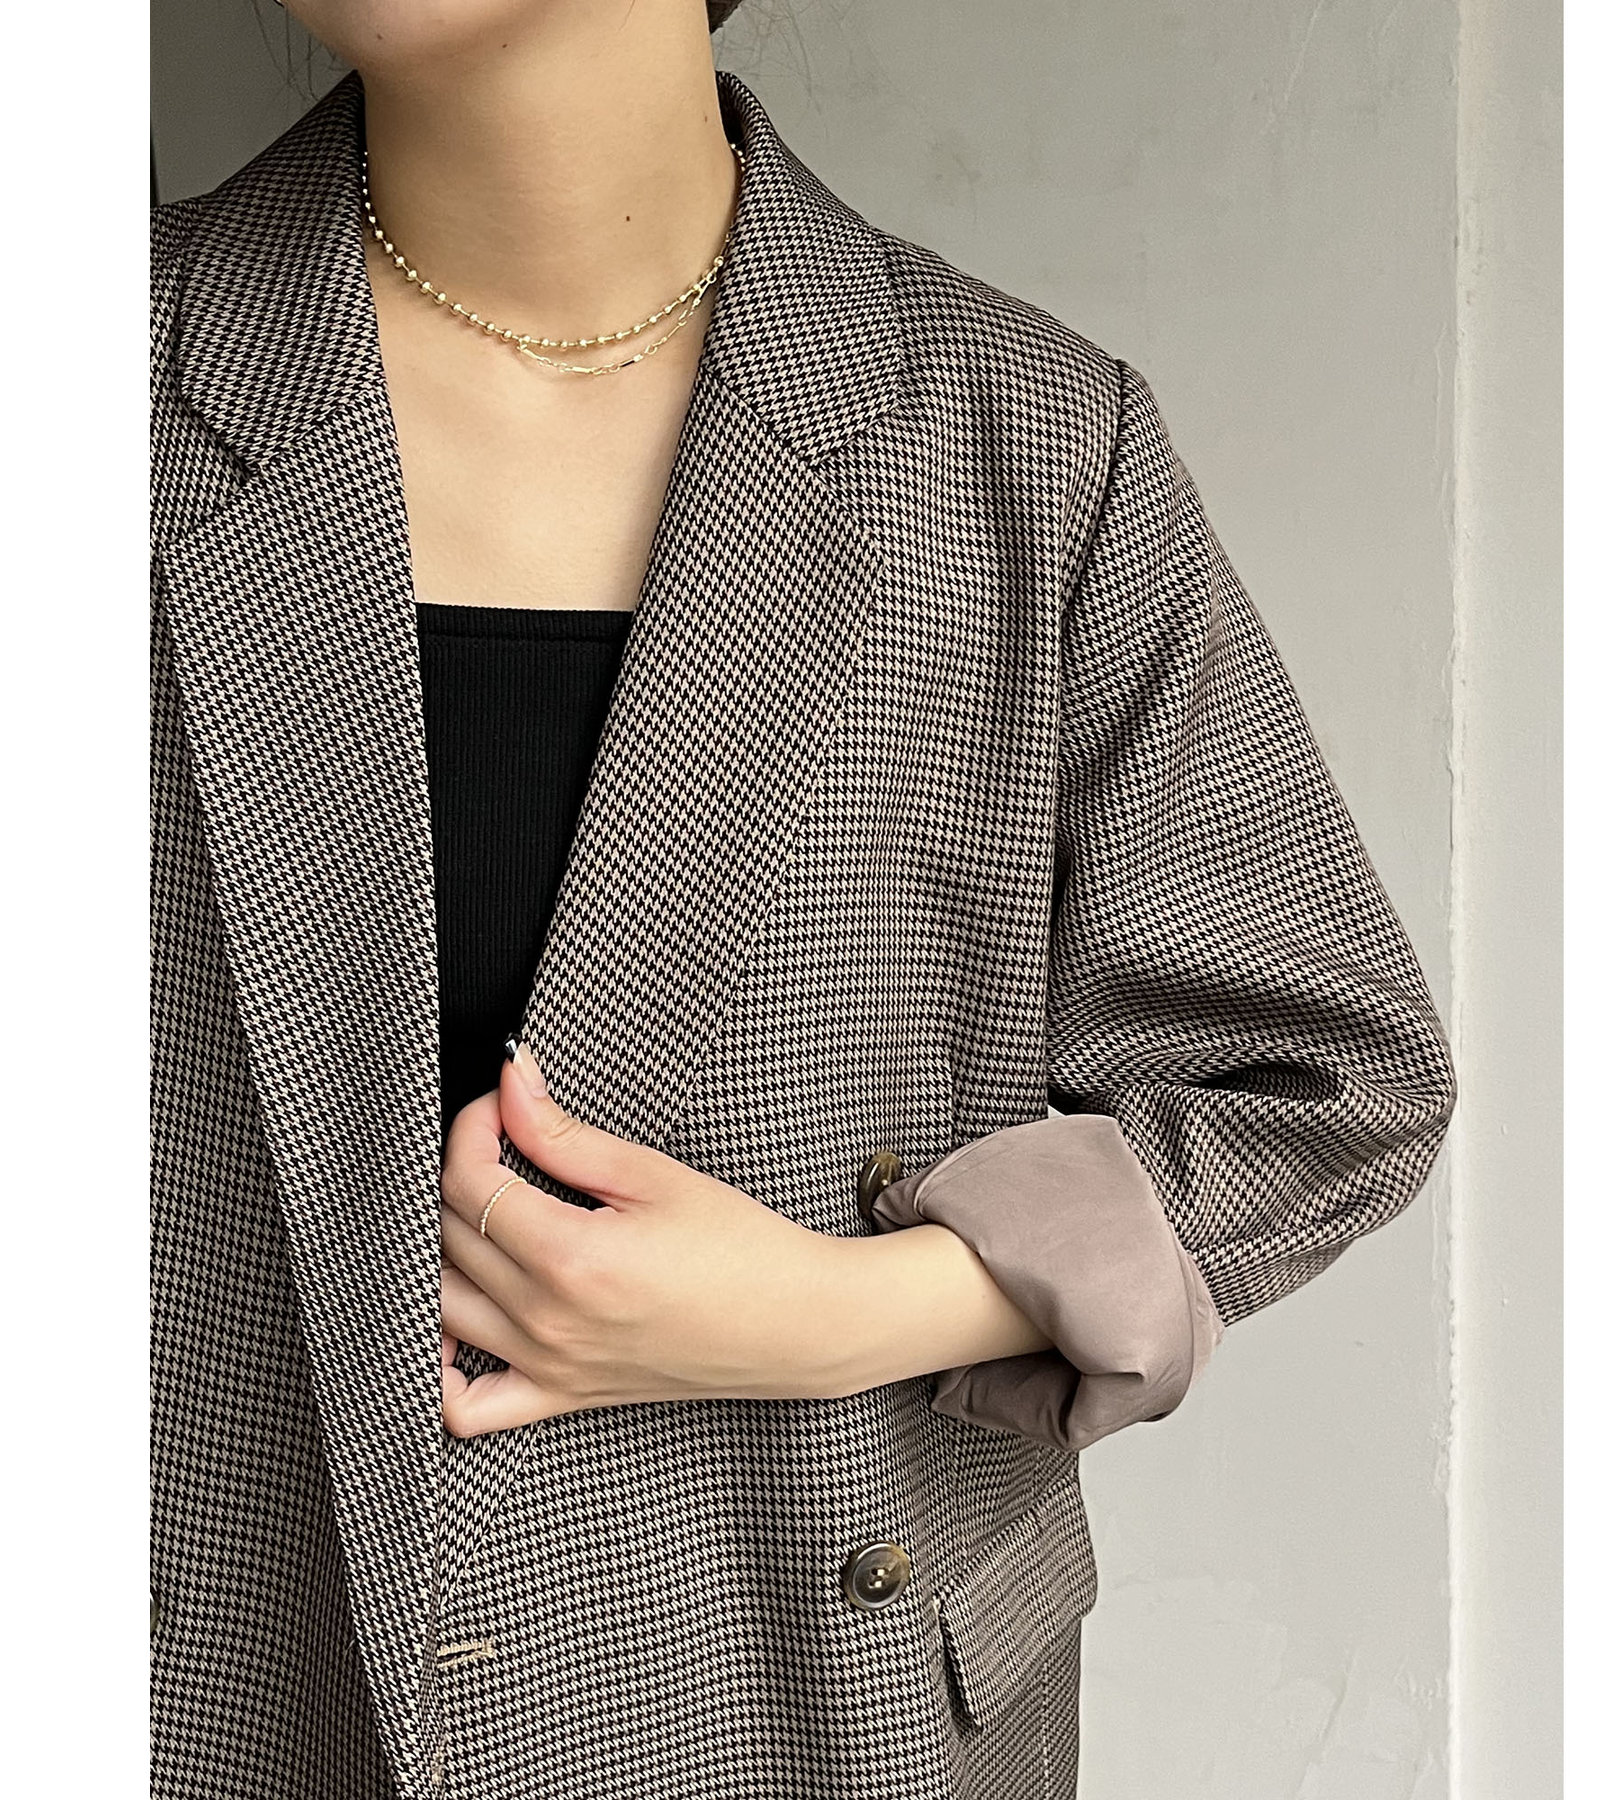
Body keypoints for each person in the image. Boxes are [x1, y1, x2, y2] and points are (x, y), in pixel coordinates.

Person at [149, 2, 1458, 1796]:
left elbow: (1324, 1089)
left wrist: (836, 1310)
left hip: (816, 1696)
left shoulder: (1021, 443)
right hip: (216, 1674)